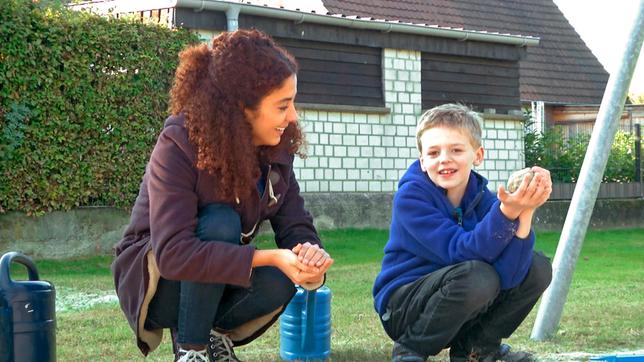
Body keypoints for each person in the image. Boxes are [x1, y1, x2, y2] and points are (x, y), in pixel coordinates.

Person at [111, 29, 333, 362]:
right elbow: (173, 254)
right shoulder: (179, 142)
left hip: (216, 279)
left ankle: (212, 334)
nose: (293, 117)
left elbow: (296, 224)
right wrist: (269, 257)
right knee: (220, 221)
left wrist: (310, 256)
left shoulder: (275, 150)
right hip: (159, 283)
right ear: (241, 108)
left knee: (282, 279)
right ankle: (192, 350)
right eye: (283, 106)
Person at [372, 103, 553, 362]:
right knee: (479, 276)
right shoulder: (411, 198)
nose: (444, 158)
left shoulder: (482, 197)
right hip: (405, 305)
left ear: (477, 155)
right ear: (422, 161)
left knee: (537, 268)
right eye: (434, 152)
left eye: (456, 150)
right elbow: (461, 251)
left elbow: (510, 276)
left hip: (462, 294)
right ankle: (411, 349)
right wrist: (507, 213)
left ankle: (476, 349)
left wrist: (525, 211)